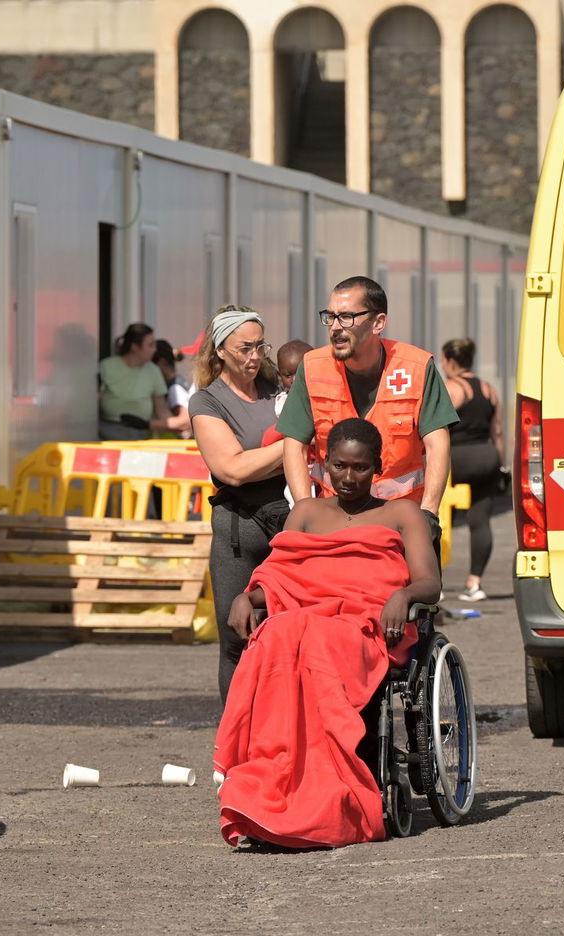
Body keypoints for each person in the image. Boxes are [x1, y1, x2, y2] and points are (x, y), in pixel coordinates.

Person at [214, 418, 441, 850]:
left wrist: (403, 594)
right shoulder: (306, 512)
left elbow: (430, 582)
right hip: (306, 621)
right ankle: (267, 794)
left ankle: (326, 801)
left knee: (306, 636)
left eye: (359, 468)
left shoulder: (401, 513)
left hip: (364, 626)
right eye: (339, 466)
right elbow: (281, 575)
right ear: (323, 464)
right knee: (277, 634)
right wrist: (249, 597)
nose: (349, 477)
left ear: (378, 466)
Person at [277, 276, 459, 552]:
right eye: (331, 317)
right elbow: (294, 444)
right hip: (335, 525)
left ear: (378, 323)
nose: (336, 327)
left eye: (347, 317)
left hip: (402, 526)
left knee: (413, 594)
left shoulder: (416, 368)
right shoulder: (313, 368)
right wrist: (306, 510)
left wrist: (428, 515)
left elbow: (438, 443)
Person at [188, 306, 289, 704]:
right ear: (219, 351)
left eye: (260, 346)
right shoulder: (207, 403)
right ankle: (234, 748)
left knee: (292, 636)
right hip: (239, 532)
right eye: (244, 348)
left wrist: (265, 461)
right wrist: (293, 446)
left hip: (290, 527)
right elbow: (231, 469)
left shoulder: (279, 387)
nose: (255, 356)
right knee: (236, 641)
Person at [439, 337, 505, 602]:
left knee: (441, 520)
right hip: (486, 457)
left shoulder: (451, 389)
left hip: (456, 459)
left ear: (450, 361)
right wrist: (500, 465)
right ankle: (475, 584)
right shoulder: (489, 389)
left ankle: (437, 584)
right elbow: (497, 431)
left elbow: (435, 426)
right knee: (480, 520)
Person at [97, 322, 172, 440]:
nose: (155, 350)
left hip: (140, 436)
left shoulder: (153, 370)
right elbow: (93, 402)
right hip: (105, 436)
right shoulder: (106, 367)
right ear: (135, 347)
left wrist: (181, 423)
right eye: (151, 345)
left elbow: (162, 412)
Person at [153, 339, 193, 438]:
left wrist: (148, 424)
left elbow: (184, 421)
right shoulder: (177, 382)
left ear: (162, 362)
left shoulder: (175, 388)